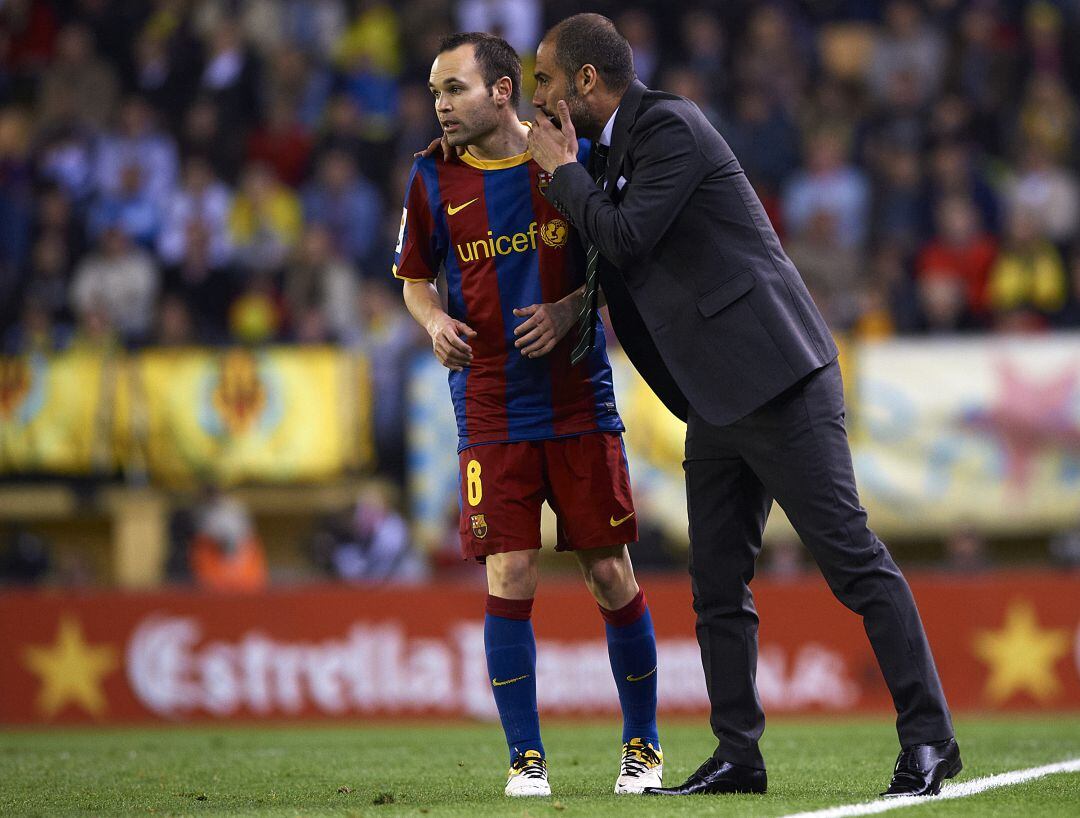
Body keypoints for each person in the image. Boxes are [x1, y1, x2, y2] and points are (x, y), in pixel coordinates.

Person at [526, 13, 960, 799]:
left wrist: (562, 169)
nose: (541, 102)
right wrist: (573, 305)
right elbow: (616, 264)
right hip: (714, 400)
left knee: (852, 561)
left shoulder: (670, 126)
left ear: (587, 80)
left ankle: (930, 739)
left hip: (778, 378)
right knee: (717, 584)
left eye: (547, 83)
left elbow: (626, 236)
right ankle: (739, 754)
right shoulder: (613, 151)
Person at [398, 33, 662, 798]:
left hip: (578, 395)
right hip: (489, 403)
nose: (441, 105)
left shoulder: (564, 156)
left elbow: (620, 257)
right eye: (435, 91)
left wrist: (574, 304)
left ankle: (642, 748)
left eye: (455, 89)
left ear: (503, 92)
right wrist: (432, 322)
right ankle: (525, 760)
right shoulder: (430, 176)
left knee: (609, 571)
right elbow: (416, 280)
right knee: (510, 571)